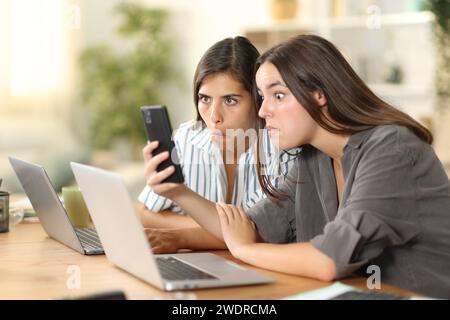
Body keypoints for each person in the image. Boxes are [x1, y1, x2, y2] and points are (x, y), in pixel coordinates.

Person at [146, 34, 450, 298]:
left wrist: (244, 250)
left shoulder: (391, 149)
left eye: (278, 96)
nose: (264, 111)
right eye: (263, 97)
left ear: (318, 94)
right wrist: (178, 191)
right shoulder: (312, 158)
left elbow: (329, 260)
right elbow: (249, 227)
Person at [139, 36, 300, 253]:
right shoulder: (187, 138)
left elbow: (260, 234)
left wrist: (181, 237)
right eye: (205, 99)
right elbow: (145, 213)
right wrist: (215, 230)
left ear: (257, 99)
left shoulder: (284, 150)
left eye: (230, 100)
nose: (214, 116)